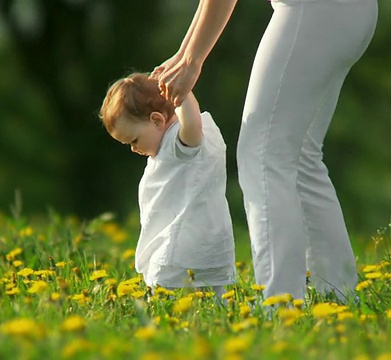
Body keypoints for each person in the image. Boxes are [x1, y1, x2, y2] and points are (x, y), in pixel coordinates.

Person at [151, 0, 378, 302]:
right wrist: (184, 54)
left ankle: (280, 305)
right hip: (354, 12)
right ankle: (339, 296)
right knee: (300, 158)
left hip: (312, 10)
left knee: (262, 154)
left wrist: (192, 60)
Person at [99, 72, 236, 299]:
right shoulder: (166, 149)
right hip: (199, 245)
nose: (134, 149)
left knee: (169, 301)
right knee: (213, 301)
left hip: (181, 249)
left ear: (157, 120)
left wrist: (181, 90)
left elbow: (192, 124)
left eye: (134, 140)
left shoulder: (178, 144)